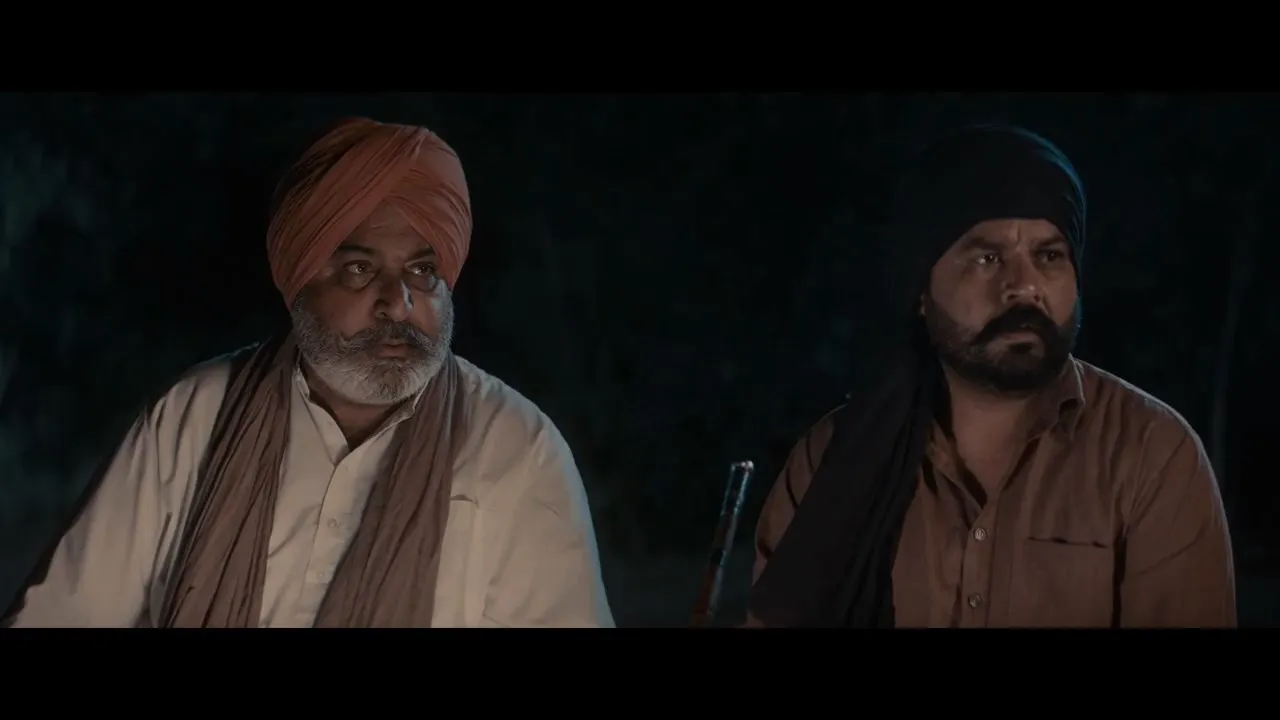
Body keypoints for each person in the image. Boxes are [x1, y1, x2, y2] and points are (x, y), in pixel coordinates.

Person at [5, 117, 615, 628]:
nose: (398, 304)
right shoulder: (193, 416)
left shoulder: (517, 449)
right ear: (298, 280)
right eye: (359, 269)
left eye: (423, 272)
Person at [747, 124, 1236, 628]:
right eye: (988, 258)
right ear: (921, 290)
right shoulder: (832, 461)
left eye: (1049, 256)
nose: (1023, 286)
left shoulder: (1151, 456)